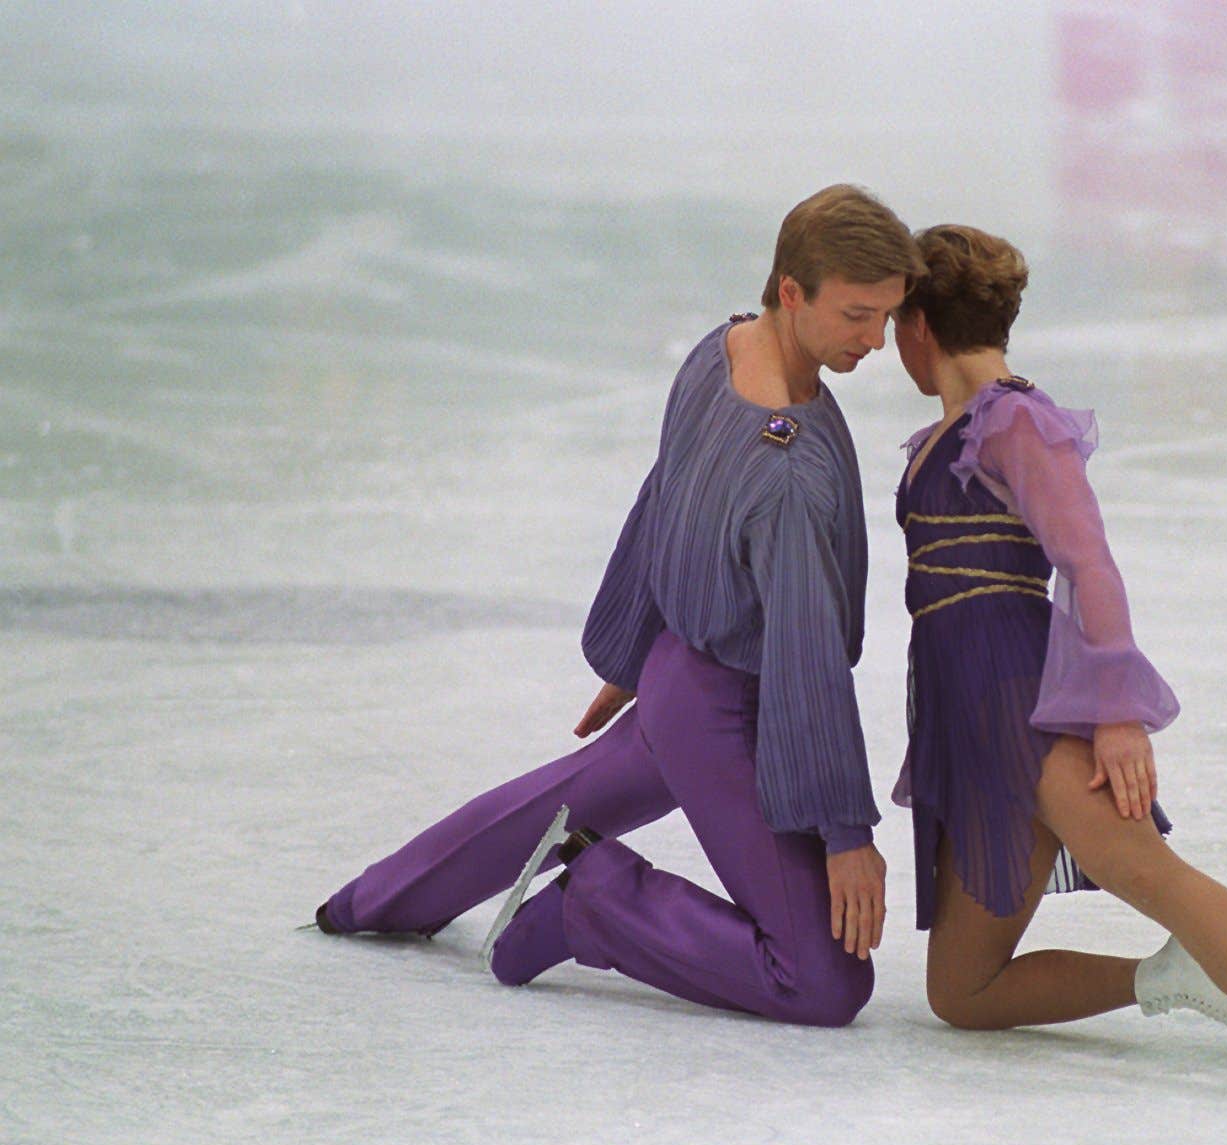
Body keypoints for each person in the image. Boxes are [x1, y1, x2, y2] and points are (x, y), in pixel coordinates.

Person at [313, 184, 924, 1028]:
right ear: (792, 291)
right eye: (858, 316)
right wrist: (848, 833)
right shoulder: (787, 471)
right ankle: (593, 901)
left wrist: (643, 652)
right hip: (725, 711)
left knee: (547, 803)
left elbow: (666, 496)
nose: (877, 342)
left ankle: (370, 902)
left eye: (888, 317)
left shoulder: (721, 349)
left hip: (682, 672)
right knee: (821, 982)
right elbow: (807, 664)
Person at [890, 224, 1227, 1111]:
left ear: (919, 321)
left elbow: (1090, 564)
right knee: (961, 992)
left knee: (1136, 866)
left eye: (894, 320)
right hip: (963, 716)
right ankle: (1173, 978)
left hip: (1020, 693)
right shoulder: (945, 432)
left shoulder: (1017, 420)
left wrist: (1114, 713)